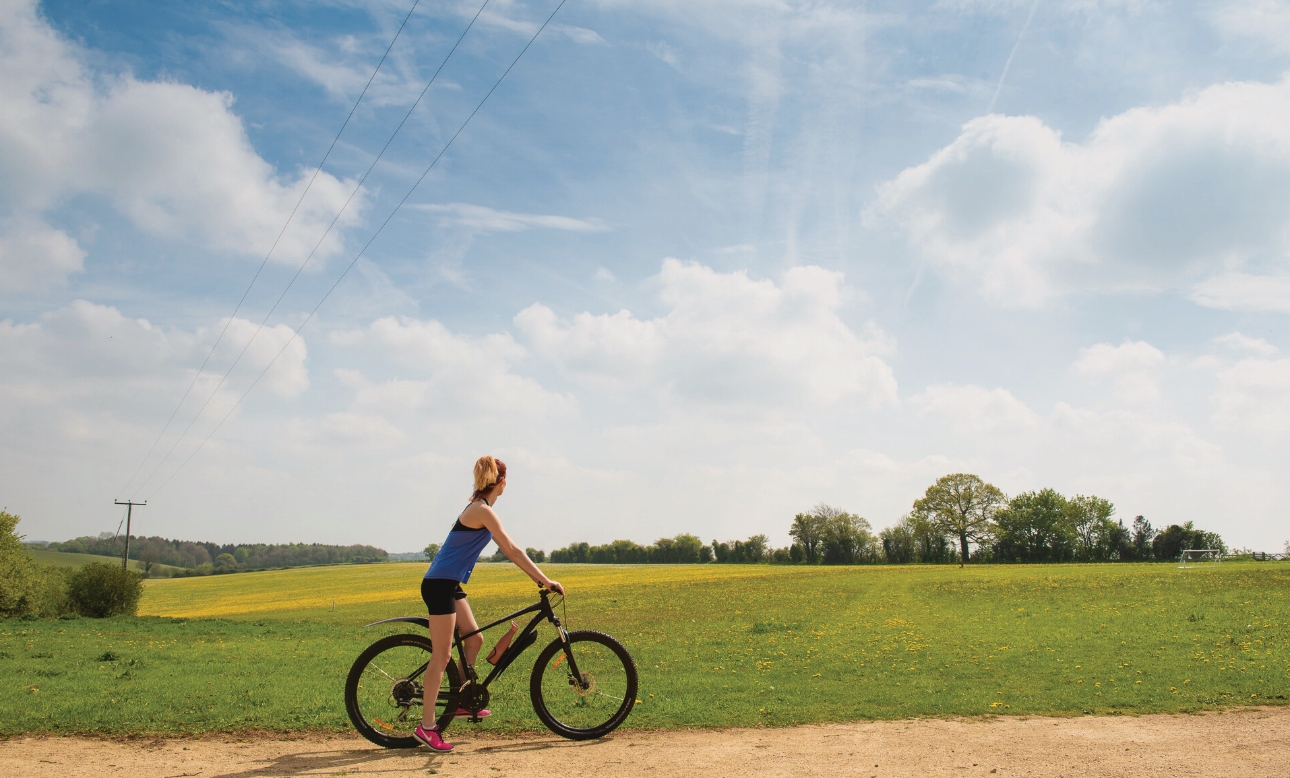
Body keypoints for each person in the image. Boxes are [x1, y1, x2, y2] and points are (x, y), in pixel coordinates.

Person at [414, 455, 564, 752]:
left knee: (474, 640)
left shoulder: (480, 508)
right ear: (502, 482)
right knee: (441, 657)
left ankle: (458, 701)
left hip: (449, 584)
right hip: (439, 585)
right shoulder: (482, 511)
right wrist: (545, 580)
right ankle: (427, 727)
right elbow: (512, 549)